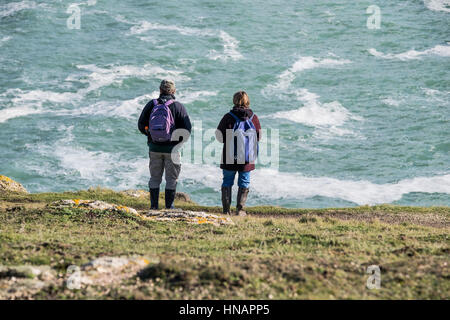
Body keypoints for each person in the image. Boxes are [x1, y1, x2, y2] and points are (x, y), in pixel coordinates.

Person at [138, 80, 191, 210]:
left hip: (154, 148)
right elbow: (187, 130)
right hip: (172, 150)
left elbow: (141, 125)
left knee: (155, 178)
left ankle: (154, 206)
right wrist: (177, 142)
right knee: (171, 179)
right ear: (173, 91)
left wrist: (151, 135)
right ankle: (169, 207)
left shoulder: (151, 104)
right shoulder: (178, 106)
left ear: (160, 90)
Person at [216, 91, 261, 216]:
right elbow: (258, 136)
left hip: (229, 156)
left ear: (234, 101)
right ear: (247, 101)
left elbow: (219, 136)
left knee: (227, 181)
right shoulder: (254, 117)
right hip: (247, 158)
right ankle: (240, 210)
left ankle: (226, 211)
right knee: (244, 182)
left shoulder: (228, 117)